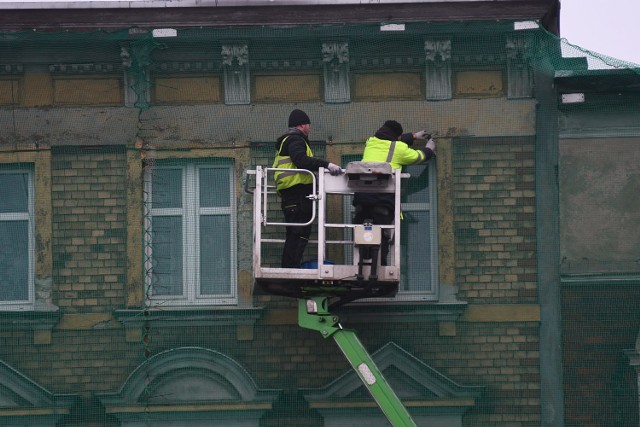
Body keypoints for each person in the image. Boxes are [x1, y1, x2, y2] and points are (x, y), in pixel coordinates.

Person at [352, 120, 435, 266]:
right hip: (382, 203)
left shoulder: (371, 142)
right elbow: (418, 157)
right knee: (383, 240)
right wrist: (429, 149)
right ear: (397, 137)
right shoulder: (399, 149)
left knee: (363, 239)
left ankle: (362, 265)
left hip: (362, 201)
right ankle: (379, 268)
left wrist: (414, 136)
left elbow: (391, 143)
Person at [273, 109, 343, 268]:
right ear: (302, 125)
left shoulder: (288, 140)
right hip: (297, 193)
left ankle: (290, 266)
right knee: (298, 233)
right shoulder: (296, 140)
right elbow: (301, 161)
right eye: (308, 125)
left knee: (297, 233)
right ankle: (290, 267)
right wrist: (327, 165)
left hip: (292, 193)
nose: (309, 128)